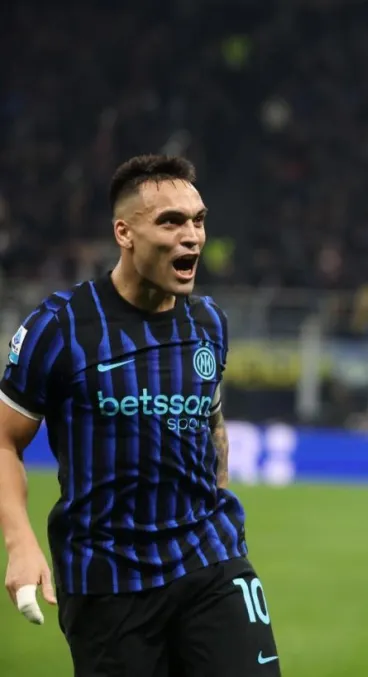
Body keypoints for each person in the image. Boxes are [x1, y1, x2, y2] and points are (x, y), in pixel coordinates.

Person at [0, 155, 281, 676]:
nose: (192, 236)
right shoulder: (61, 327)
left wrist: (219, 509)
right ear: (124, 233)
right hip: (106, 580)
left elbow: (211, 422)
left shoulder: (209, 322)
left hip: (209, 561)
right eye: (171, 222)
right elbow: (3, 440)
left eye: (198, 220)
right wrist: (20, 546)